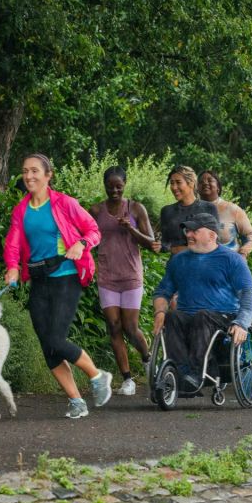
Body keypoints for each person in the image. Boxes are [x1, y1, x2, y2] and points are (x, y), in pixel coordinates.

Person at [4, 153, 112, 419]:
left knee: (56, 338)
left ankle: (97, 376)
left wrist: (81, 244)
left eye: (34, 171)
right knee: (47, 345)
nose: (28, 176)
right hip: (39, 279)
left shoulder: (65, 203)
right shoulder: (21, 210)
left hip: (65, 275)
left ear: (48, 175)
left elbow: (93, 230)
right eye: (25, 171)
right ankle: (76, 401)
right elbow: (13, 243)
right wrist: (12, 267)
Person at [151, 213, 252, 390]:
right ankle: (180, 373)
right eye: (187, 230)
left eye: (194, 231)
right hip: (189, 316)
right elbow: (163, 292)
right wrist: (160, 312)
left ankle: (197, 372)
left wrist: (242, 323)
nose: (188, 234)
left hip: (224, 317)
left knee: (202, 316)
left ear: (212, 235)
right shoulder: (179, 260)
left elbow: (248, 294)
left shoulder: (232, 260)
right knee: (172, 316)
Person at [89, 166, 154, 396]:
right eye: (110, 185)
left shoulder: (135, 208)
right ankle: (127, 380)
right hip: (107, 276)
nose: (114, 190)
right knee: (114, 327)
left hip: (130, 276)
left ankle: (148, 360)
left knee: (130, 327)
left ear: (125, 184)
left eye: (119, 186)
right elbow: (85, 236)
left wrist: (131, 229)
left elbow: (151, 243)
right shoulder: (96, 210)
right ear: (104, 185)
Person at [153, 166, 219, 256]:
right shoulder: (167, 211)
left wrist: (176, 249)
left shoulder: (209, 208)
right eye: (172, 183)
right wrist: (158, 246)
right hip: (176, 266)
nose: (174, 187)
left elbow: (215, 242)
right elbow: (165, 244)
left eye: (178, 182)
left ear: (191, 183)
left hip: (203, 264)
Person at [198, 170, 252, 258]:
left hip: (229, 264)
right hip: (198, 265)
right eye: (201, 181)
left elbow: (249, 234)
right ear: (197, 188)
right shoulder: (191, 210)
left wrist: (243, 254)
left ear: (218, 187)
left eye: (210, 180)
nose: (205, 183)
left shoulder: (232, 209)